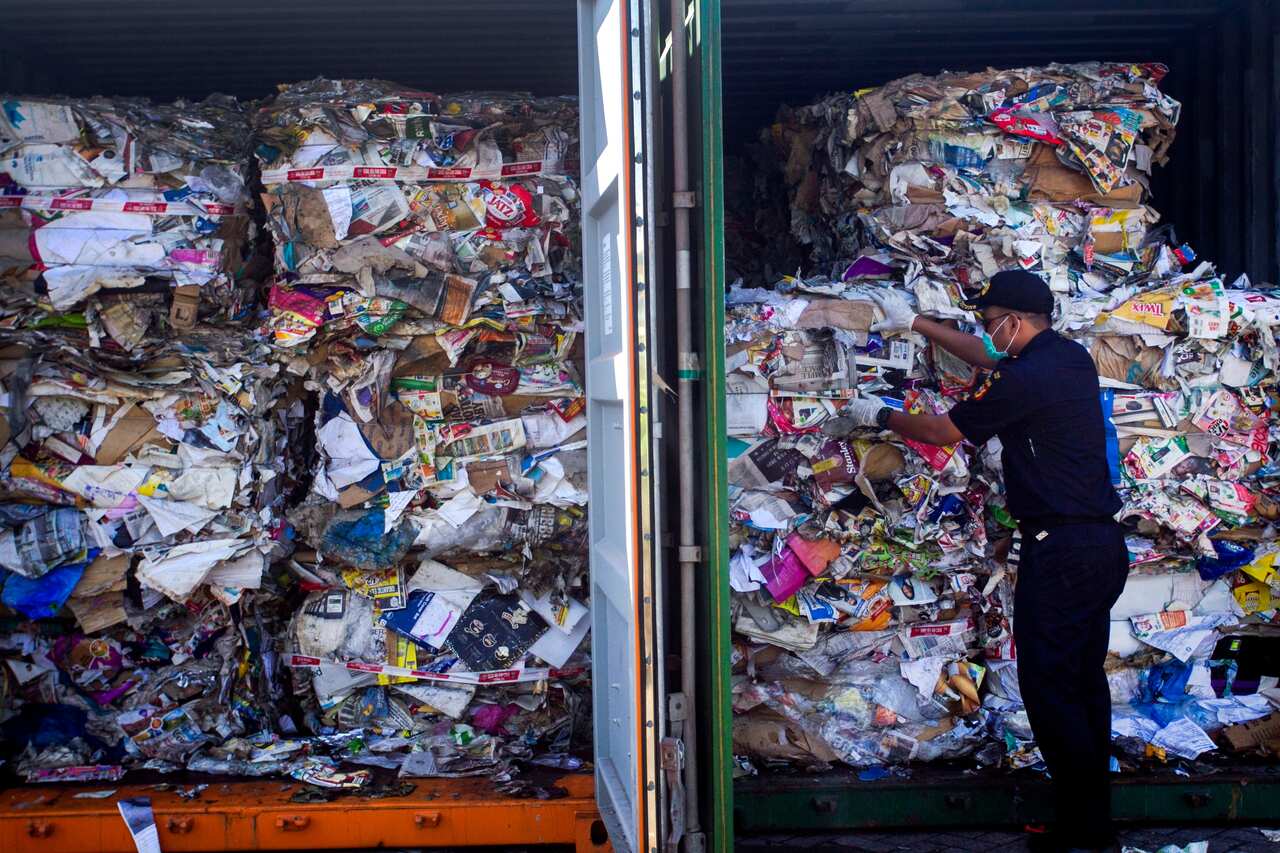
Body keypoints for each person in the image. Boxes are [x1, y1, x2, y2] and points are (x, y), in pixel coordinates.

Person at [843, 269, 1129, 853]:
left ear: (1015, 322)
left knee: (1049, 689)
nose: (984, 331)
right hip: (1100, 547)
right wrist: (917, 322)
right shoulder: (1068, 359)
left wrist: (877, 415)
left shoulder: (1023, 382)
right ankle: (1090, 824)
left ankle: (1089, 837)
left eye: (989, 320)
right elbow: (990, 355)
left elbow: (942, 431)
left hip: (1063, 550)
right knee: (1080, 686)